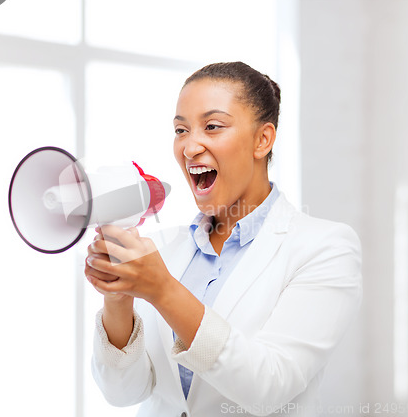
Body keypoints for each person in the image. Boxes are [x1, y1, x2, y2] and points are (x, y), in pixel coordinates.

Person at [84, 61, 362, 417]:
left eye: (212, 126)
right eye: (181, 130)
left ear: (263, 139)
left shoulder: (326, 247)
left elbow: (268, 388)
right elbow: (123, 393)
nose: (189, 147)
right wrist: (119, 299)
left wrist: (162, 290)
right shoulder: (162, 248)